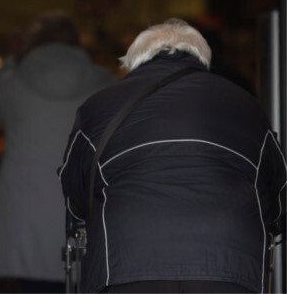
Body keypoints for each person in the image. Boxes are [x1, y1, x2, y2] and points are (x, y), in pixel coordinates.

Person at [59, 19, 287, 293]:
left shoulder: (98, 106)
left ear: (132, 62)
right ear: (203, 59)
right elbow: (277, 188)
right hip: (230, 262)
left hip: (125, 260)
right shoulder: (246, 104)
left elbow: (76, 192)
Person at [0, 11, 116, 291]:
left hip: (25, 204)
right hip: (83, 201)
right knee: (84, 280)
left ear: (32, 43)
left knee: (34, 283)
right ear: (77, 43)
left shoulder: (13, 82)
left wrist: (12, 60)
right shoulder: (104, 82)